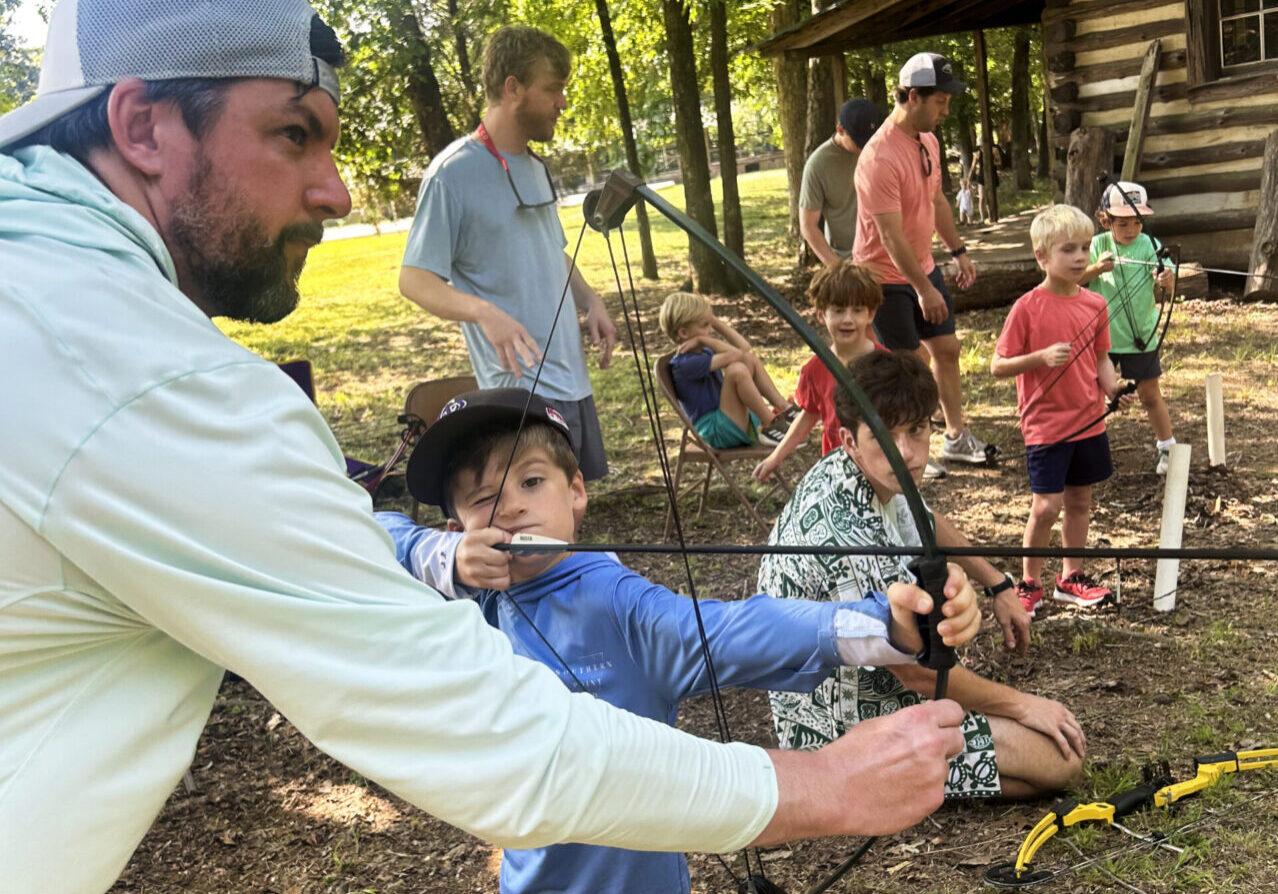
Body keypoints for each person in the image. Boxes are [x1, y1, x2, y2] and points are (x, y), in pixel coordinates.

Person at [0, 3, 976, 891]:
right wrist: (824, 784)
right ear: (140, 128)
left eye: (535, 480)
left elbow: (715, 636)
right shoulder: (120, 363)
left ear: (581, 493)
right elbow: (476, 722)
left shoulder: (62, 310)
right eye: (293, 133)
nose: (336, 192)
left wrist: (873, 627)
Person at [374, 387, 982, 894]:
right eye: (484, 501)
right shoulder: (466, 595)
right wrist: (439, 555)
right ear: (457, 526)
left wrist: (886, 625)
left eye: (531, 482)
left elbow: (735, 631)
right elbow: (367, 531)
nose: (509, 509)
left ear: (577, 492)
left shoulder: (615, 604)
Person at [764, 351, 1074, 801]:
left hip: (866, 695)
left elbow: (925, 518)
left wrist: (998, 584)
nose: (907, 453)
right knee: (1059, 759)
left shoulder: (867, 472)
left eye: (916, 430)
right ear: (850, 440)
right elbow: (916, 672)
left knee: (1039, 764)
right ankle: (873, 783)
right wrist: (1025, 705)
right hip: (840, 728)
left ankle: (902, 783)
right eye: (884, 437)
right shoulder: (847, 533)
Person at [398, 25, 615, 482]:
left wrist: (590, 300)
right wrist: (482, 313)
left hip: (571, 375)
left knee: (570, 508)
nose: (562, 103)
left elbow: (551, 251)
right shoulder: (452, 174)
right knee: (534, 524)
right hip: (519, 389)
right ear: (512, 87)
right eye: (553, 89)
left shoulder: (535, 167)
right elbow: (414, 279)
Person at [854, 52, 995, 469]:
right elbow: (889, 236)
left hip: (922, 268)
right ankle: (913, 448)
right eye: (940, 101)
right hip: (884, 276)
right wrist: (922, 288)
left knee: (947, 349)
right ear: (913, 96)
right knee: (908, 364)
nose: (946, 110)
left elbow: (936, 202)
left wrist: (958, 251)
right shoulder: (878, 158)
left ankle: (955, 437)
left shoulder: (928, 141)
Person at [992, 205, 1134, 611]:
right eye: (1068, 249)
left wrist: (1113, 390)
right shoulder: (1027, 308)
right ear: (1042, 256)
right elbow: (997, 366)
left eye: (1085, 247)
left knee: (1079, 502)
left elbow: (1102, 360)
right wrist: (1039, 358)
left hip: (1088, 422)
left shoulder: (1095, 305)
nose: (1079, 257)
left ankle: (1070, 577)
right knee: (1046, 506)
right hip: (1046, 426)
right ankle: (1029, 582)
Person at [752, 260, 884, 482]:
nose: (848, 319)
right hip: (837, 470)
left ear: (870, 315)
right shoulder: (814, 370)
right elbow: (808, 415)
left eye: (857, 310)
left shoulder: (885, 365)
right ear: (821, 314)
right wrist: (776, 456)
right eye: (839, 310)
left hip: (880, 468)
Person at [1080, 180, 1178, 475]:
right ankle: (1087, 450)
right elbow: (1071, 279)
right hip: (1103, 339)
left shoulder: (1148, 244)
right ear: (1104, 220)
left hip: (1141, 336)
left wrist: (1166, 279)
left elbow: (1169, 276)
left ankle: (1167, 448)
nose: (1132, 230)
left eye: (1137, 222)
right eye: (1122, 224)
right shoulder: (1097, 245)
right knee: (1091, 395)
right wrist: (1097, 268)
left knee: (1150, 394)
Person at [660, 291, 798, 448]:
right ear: (684, 332)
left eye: (711, 325)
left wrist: (713, 322)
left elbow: (744, 349)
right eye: (705, 325)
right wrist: (703, 339)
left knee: (748, 360)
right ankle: (770, 424)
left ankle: (785, 409)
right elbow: (737, 354)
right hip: (716, 431)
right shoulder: (684, 363)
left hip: (727, 420)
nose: (711, 330)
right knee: (736, 371)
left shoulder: (704, 351)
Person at [799, 98, 882, 266]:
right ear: (840, 130)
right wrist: (838, 268)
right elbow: (808, 226)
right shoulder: (818, 165)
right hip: (849, 259)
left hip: (887, 254)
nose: (866, 147)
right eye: (859, 141)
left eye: (870, 139)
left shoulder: (880, 149)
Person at [970, 145, 1001, 225]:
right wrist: (968, 178)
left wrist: (993, 161)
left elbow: (999, 162)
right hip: (981, 177)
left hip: (992, 175)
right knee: (982, 197)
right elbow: (973, 167)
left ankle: (996, 216)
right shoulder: (977, 154)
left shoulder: (994, 150)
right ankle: (982, 218)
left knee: (994, 197)